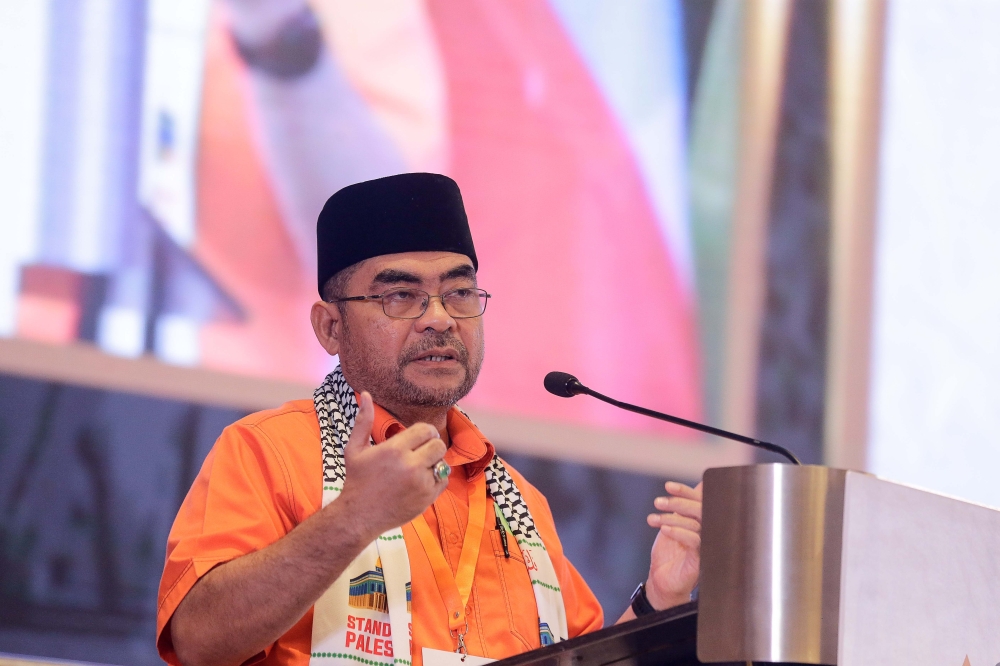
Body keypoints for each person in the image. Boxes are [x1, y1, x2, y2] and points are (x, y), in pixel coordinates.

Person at [156, 173, 703, 666]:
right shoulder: (267, 451)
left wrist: (659, 599)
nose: (440, 319)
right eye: (401, 296)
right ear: (329, 328)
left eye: (459, 293)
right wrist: (353, 517)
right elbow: (200, 641)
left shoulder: (519, 502)